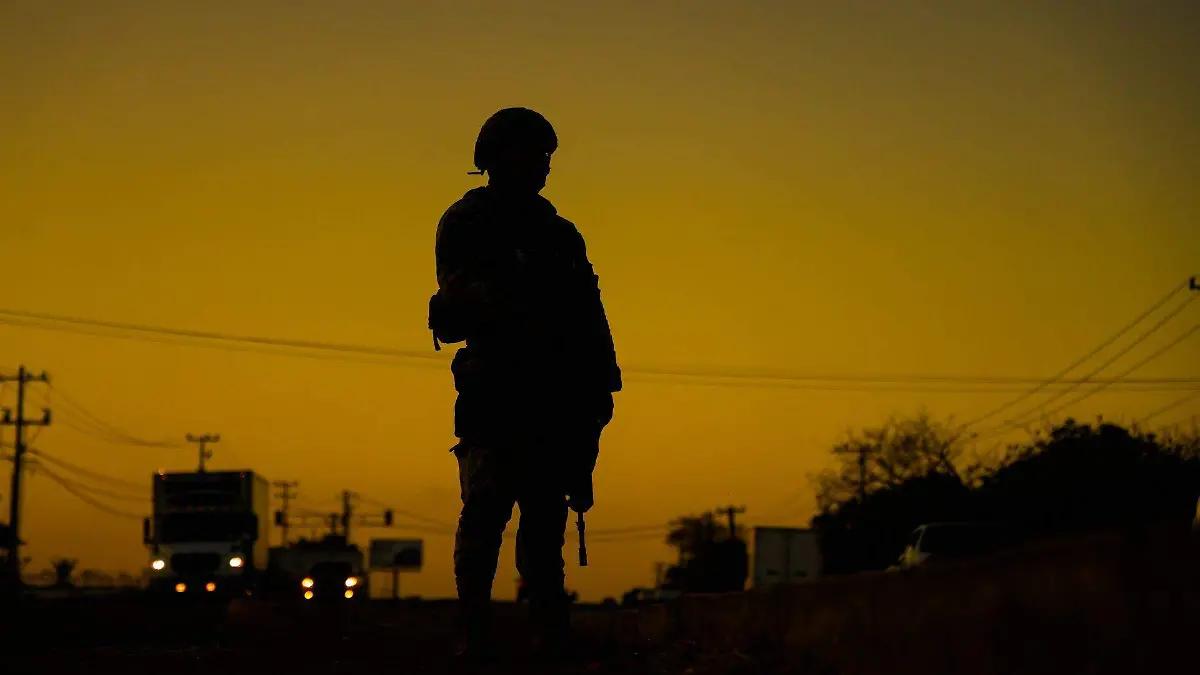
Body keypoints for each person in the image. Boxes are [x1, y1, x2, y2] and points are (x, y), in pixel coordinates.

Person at [429, 107, 621, 660]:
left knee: (544, 524)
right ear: (496, 159)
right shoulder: (467, 222)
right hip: (495, 390)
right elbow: (461, 298)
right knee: (486, 513)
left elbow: (589, 311)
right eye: (531, 154)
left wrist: (600, 389)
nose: (541, 167)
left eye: (545, 157)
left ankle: (547, 632)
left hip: (555, 395)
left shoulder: (560, 235)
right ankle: (474, 630)